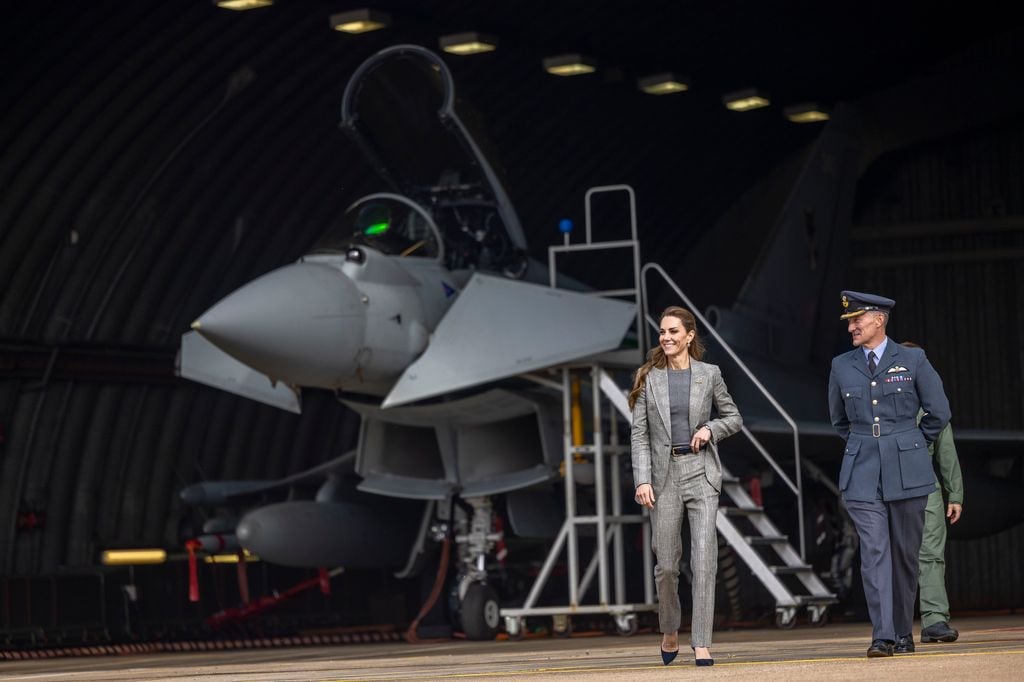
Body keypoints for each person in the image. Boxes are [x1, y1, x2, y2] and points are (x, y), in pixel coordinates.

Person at [827, 291, 951, 658]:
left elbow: (939, 412)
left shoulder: (913, 359)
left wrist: (909, 442)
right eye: (849, 322)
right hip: (862, 472)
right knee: (874, 551)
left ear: (879, 320)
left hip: (908, 469)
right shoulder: (841, 365)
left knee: (905, 554)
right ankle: (882, 635)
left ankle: (902, 632)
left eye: (857, 320)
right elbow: (839, 421)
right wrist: (868, 443)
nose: (851, 327)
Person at [629, 306, 742, 667]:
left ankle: (702, 641)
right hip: (663, 477)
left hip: (701, 472)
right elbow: (640, 434)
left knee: (705, 557)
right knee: (667, 564)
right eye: (662, 332)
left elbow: (734, 417)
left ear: (689, 336)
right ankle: (669, 627)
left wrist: (711, 429)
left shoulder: (709, 374)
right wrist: (642, 479)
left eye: (674, 332)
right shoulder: (650, 379)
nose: (666, 337)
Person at [901, 342, 964, 643]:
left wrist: (955, 495)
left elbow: (946, 452)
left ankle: (935, 621)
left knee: (931, 556)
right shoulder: (880, 406)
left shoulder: (932, 407)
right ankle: (892, 626)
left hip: (926, 487)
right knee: (890, 557)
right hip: (890, 489)